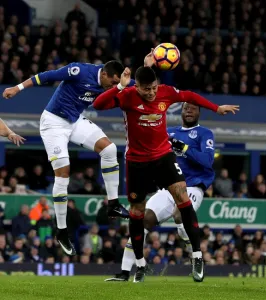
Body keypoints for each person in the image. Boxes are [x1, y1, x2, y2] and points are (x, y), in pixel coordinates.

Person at [93, 66, 239, 282]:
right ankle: (139, 265)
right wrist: (121, 86)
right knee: (138, 212)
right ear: (137, 86)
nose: (152, 93)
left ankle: (197, 256)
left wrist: (216, 108)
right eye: (147, 90)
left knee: (183, 199)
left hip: (163, 157)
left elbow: (188, 95)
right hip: (137, 161)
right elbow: (98, 104)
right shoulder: (127, 96)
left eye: (154, 88)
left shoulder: (166, 92)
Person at [2, 60, 141, 256]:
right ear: (104, 75)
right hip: (53, 123)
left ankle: (113, 205)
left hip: (74, 120)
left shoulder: (115, 81)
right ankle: (61, 231)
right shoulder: (79, 71)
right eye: (112, 83)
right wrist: (17, 88)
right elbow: (47, 76)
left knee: (109, 150)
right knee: (63, 173)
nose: (113, 87)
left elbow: (139, 84)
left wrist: (148, 67)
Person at [105, 102, 215, 282]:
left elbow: (208, 161)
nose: (188, 111)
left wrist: (185, 148)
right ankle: (125, 272)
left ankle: (195, 256)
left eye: (192, 109)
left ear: (199, 113)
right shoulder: (168, 132)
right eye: (185, 108)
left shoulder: (204, 134)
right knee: (143, 219)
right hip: (168, 185)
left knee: (180, 214)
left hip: (192, 186)